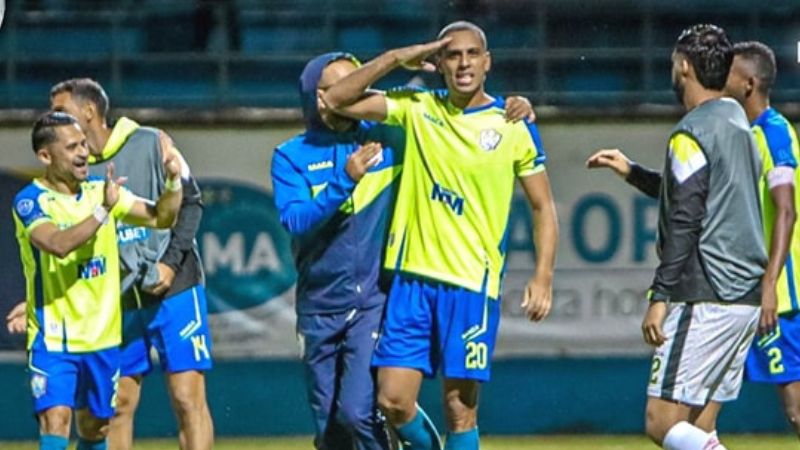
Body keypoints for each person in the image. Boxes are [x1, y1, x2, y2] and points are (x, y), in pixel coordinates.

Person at [272, 52, 535, 450]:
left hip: (375, 300)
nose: (339, 97)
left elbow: (452, 113)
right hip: (319, 306)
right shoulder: (291, 155)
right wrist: (346, 180)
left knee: (360, 413)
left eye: (355, 83)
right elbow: (296, 221)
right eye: (328, 90)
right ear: (311, 95)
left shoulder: (391, 137)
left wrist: (510, 107)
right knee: (330, 430)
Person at [589, 40, 800, 440]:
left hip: (733, 292)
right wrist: (633, 171)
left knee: (663, 423)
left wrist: (660, 295)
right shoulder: (739, 129)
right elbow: (693, 195)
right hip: (746, 297)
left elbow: (778, 210)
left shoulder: (754, 133)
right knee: (699, 427)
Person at [50, 78, 213, 450]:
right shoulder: (71, 168)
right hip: (116, 299)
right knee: (117, 406)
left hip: (175, 288)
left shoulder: (152, 141)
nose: (52, 119)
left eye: (60, 111)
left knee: (187, 398)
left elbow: (191, 203)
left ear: (89, 111)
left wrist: (170, 263)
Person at [13, 111, 182, 450]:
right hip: (54, 339)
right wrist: (104, 211)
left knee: (95, 429)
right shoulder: (31, 201)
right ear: (45, 156)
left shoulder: (100, 192)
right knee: (56, 419)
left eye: (84, 144)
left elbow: (162, 217)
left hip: (103, 338)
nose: (83, 153)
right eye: (72, 146)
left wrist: (173, 181)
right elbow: (58, 245)